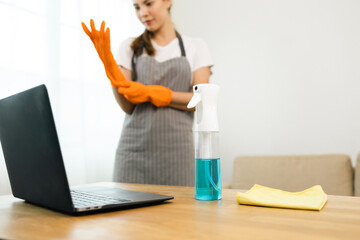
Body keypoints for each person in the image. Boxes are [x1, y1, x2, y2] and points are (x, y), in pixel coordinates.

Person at [81, 0, 213, 186]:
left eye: (148, 3)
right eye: (136, 7)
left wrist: (156, 93)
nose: (142, 12)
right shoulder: (129, 47)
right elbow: (127, 106)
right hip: (133, 153)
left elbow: (200, 101)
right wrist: (110, 68)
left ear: (168, 2)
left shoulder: (195, 46)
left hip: (177, 154)